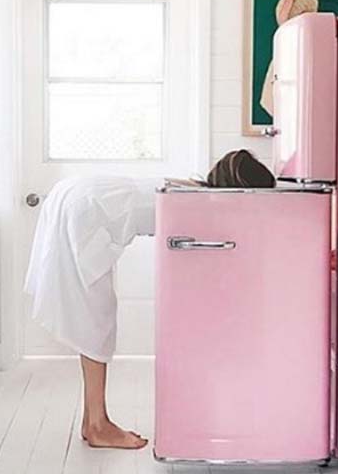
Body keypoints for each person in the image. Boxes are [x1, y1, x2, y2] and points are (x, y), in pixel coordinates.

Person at [23, 149, 276, 450]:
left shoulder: (194, 191)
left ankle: (92, 419)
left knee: (91, 315)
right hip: (85, 209)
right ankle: (97, 425)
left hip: (77, 195)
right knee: (94, 319)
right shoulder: (199, 203)